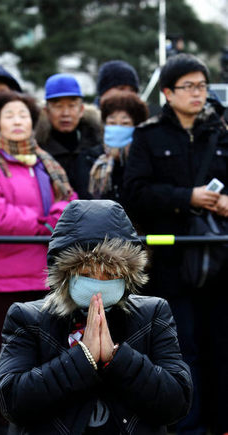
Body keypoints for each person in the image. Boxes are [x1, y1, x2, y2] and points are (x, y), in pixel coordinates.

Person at [0, 199, 192, 435]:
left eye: (109, 273)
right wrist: (81, 358)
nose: (98, 283)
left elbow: (177, 402)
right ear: (64, 275)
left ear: (127, 276)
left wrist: (117, 358)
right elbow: (11, 400)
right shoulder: (27, 318)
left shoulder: (153, 314)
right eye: (86, 273)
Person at [124, 53, 228, 435]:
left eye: (202, 85)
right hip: (170, 263)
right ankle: (188, 426)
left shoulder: (222, 133)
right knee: (182, 350)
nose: (198, 93)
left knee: (221, 346)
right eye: (188, 86)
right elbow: (134, 192)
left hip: (218, 261)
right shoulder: (149, 136)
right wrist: (186, 197)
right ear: (167, 92)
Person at [0, 91, 76, 434]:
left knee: (48, 355)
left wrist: (45, 219)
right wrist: (44, 221)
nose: (17, 121)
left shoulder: (49, 163)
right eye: (9, 115)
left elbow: (69, 206)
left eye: (24, 115)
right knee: (2, 357)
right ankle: (1, 423)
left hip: (46, 275)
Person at [35, 73, 103, 198]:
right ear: (46, 111)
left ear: (81, 110)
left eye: (72, 106)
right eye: (58, 106)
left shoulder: (97, 142)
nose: (65, 113)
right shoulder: (37, 148)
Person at [88, 89, 148, 204]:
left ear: (136, 126)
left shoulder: (144, 160)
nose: (117, 128)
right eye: (112, 123)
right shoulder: (89, 157)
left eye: (125, 123)